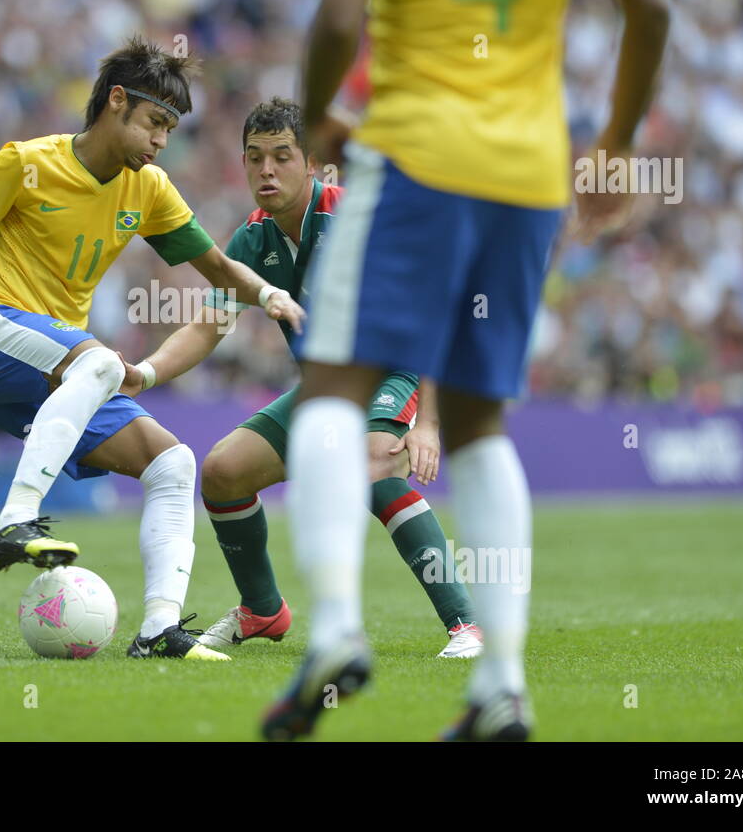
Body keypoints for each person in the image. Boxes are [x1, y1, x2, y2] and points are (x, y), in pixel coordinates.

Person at [265, 0, 670, 740]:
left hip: (417, 158)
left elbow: (340, 17)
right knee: (483, 424)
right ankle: (501, 682)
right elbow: (652, 3)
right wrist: (619, 143)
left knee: (333, 386)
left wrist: (315, 118)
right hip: (529, 177)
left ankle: (335, 627)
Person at [0, 35, 305, 661]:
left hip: (58, 379)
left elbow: (214, 264)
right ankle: (13, 521)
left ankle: (159, 630)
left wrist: (268, 295)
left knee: (174, 463)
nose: (161, 142)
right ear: (116, 102)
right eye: (155, 123)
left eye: (171, 130)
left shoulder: (148, 189)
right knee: (100, 359)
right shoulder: (26, 163)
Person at [122, 98, 481, 659]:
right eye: (255, 158)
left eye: (282, 157)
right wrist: (143, 373)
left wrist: (428, 424)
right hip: (327, 389)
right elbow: (206, 329)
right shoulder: (251, 240)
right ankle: (263, 611)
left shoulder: (357, 221)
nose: (267, 171)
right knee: (221, 473)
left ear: (310, 163)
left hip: (399, 369)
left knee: (369, 457)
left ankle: (467, 623)